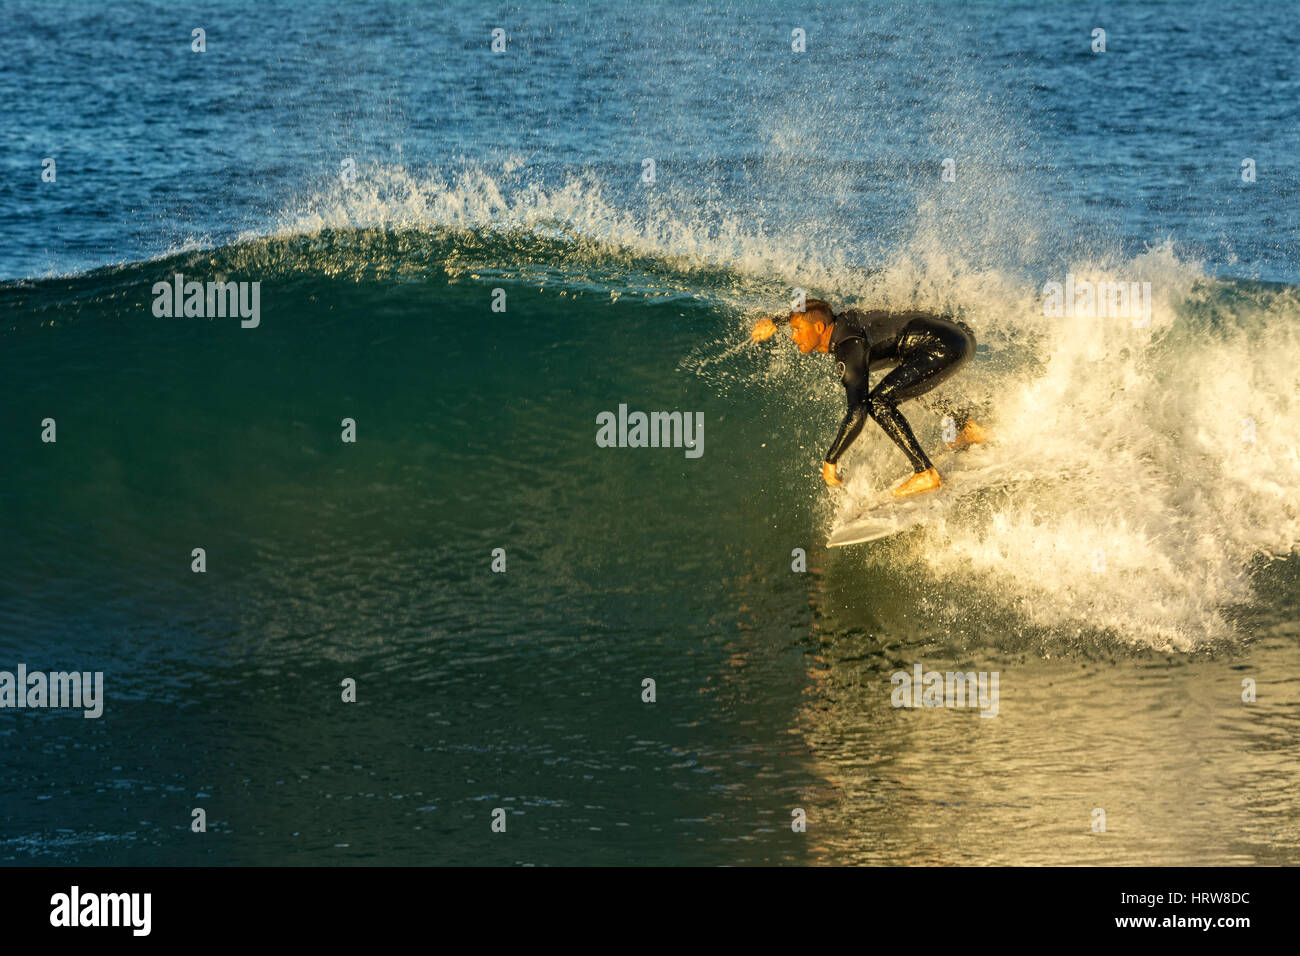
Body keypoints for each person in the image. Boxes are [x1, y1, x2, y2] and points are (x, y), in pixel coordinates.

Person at [751, 299, 988, 498]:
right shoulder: (842, 320)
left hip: (943, 345)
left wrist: (831, 459)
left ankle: (925, 473)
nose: (794, 337)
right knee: (904, 384)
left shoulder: (849, 348)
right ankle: (967, 427)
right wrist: (777, 322)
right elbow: (814, 310)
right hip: (960, 338)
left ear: (821, 329)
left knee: (879, 403)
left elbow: (858, 411)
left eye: (797, 331)